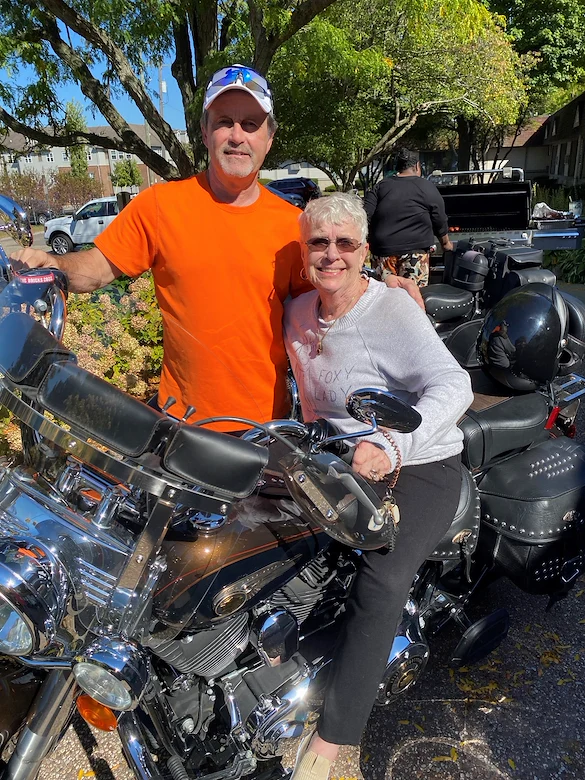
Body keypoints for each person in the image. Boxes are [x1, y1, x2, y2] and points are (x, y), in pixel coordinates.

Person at [11, 65, 423, 429]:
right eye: (225, 121)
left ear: (269, 138)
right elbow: (99, 266)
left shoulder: (292, 225)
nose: (237, 136)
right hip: (180, 423)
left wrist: (382, 283)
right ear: (206, 132)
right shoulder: (161, 206)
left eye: (250, 124)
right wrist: (53, 263)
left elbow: (330, 288)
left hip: (267, 426)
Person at [283, 192, 473, 780]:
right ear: (304, 251)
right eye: (319, 243)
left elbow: (455, 383)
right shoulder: (297, 311)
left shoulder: (389, 310)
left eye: (345, 243)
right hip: (339, 462)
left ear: (365, 250)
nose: (332, 255)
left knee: (381, 574)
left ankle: (333, 739)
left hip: (421, 462)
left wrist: (392, 444)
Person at [363, 148, 453, 287]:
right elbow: (439, 219)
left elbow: (365, 215)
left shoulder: (380, 186)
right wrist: (446, 244)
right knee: (413, 299)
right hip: (415, 254)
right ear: (417, 166)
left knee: (384, 300)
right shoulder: (426, 187)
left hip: (383, 253)